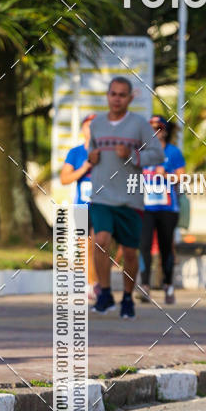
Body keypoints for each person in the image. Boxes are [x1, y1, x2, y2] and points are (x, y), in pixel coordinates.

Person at [87, 77, 164, 318]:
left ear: (130, 98)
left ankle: (128, 297)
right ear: (108, 96)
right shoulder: (96, 124)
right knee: (100, 240)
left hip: (130, 198)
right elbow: (91, 151)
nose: (117, 98)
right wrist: (92, 157)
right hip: (101, 196)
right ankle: (106, 293)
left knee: (130, 253)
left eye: (122, 95)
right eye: (113, 94)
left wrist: (132, 155)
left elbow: (158, 155)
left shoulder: (140, 125)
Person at [139, 115, 186, 305]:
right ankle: (144, 286)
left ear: (165, 132)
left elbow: (182, 178)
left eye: (158, 128)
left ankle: (168, 285)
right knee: (144, 246)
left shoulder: (173, 152)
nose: (154, 132)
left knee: (166, 248)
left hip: (167, 208)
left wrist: (167, 174)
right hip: (145, 207)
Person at [59, 113, 98, 299]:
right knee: (85, 245)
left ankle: (97, 282)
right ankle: (91, 284)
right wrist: (83, 168)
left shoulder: (108, 152)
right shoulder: (75, 153)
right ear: (83, 129)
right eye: (89, 125)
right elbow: (64, 178)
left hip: (103, 205)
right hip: (82, 206)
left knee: (99, 245)